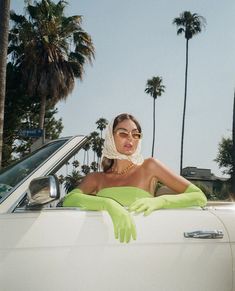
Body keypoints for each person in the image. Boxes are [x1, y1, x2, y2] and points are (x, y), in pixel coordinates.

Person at [63, 113, 207, 243]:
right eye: (123, 133)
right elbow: (69, 199)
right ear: (110, 137)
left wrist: (160, 202)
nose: (130, 139)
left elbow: (199, 196)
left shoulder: (149, 166)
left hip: (143, 244)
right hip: (104, 246)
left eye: (135, 134)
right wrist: (109, 205)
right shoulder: (96, 178)